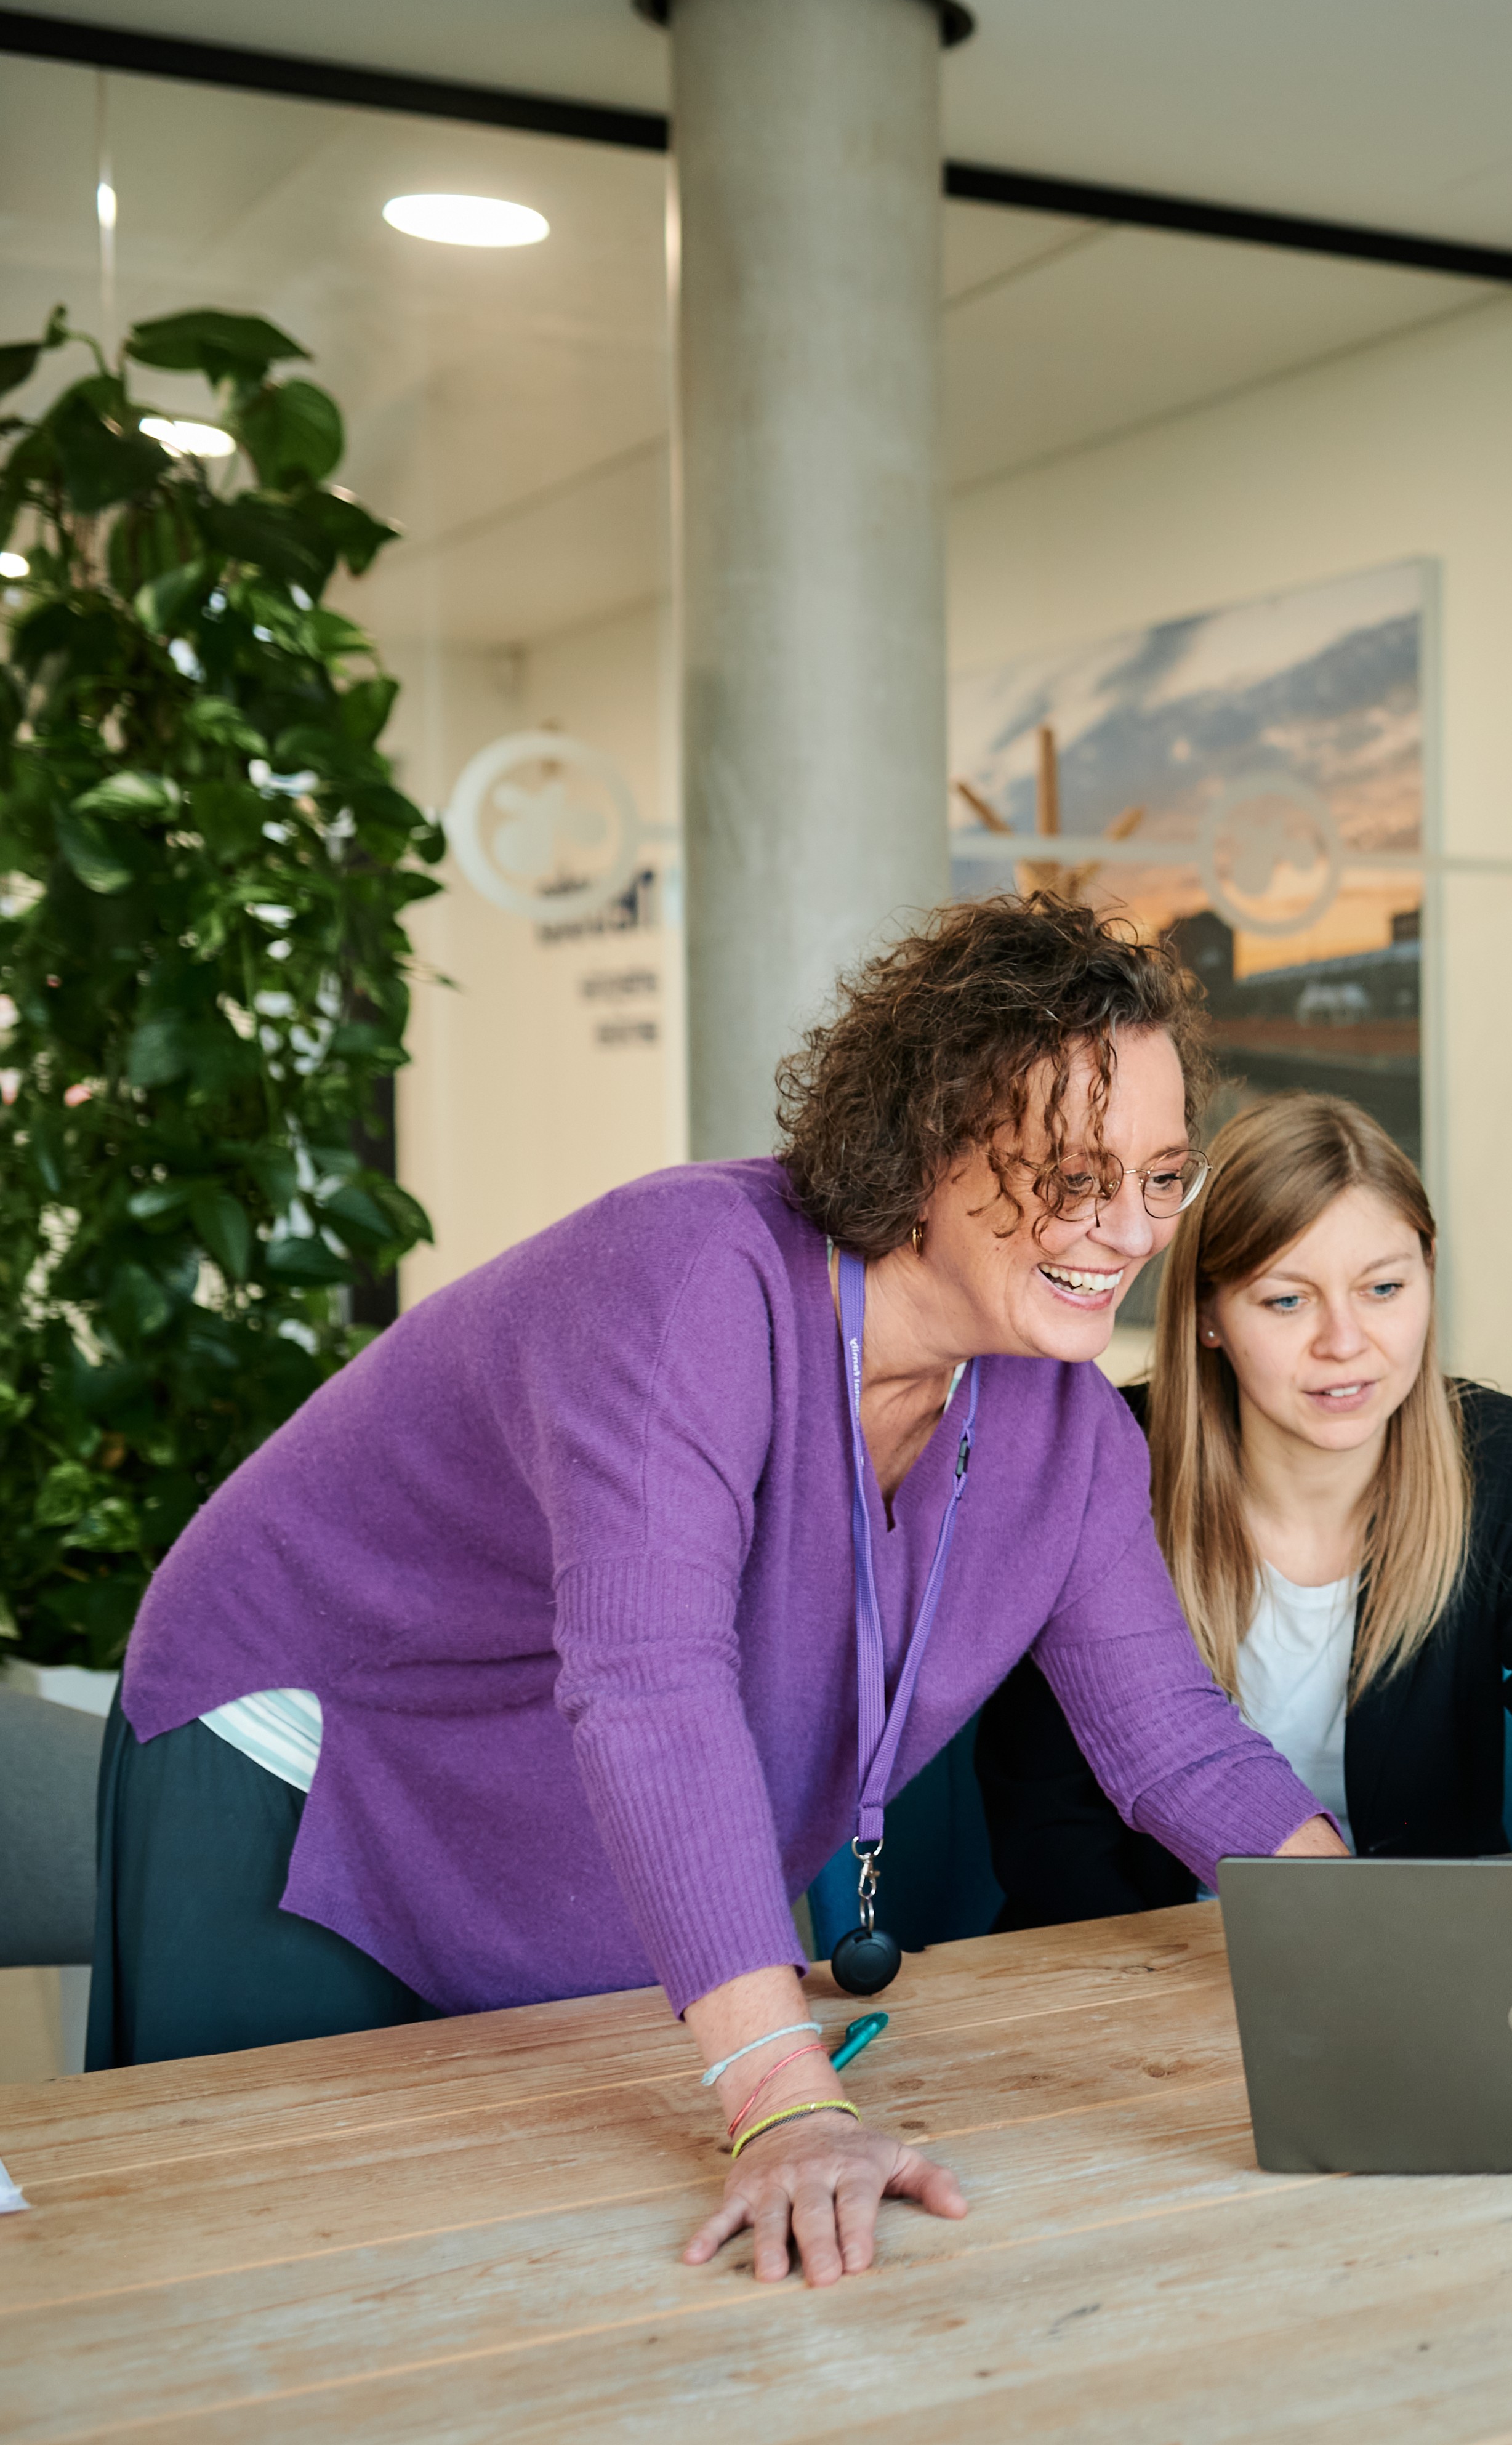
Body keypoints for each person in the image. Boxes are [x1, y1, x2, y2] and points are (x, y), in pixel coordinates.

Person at [95, 894, 1349, 2287]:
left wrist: (1377, 1942)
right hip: (309, 1743)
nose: (1125, 1229)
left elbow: (1168, 1732)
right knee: (254, 2263)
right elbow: (649, 1684)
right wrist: (787, 2097)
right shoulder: (691, 1278)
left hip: (549, 1801)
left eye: (1161, 1176)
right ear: (926, 1144)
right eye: (1071, 1173)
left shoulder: (1065, 1429)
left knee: (522, 2270)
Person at [978, 1089, 1512, 1911]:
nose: (1345, 1344)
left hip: (1418, 1961)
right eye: (1287, 1300)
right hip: (1145, 1965)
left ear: (1427, 1278)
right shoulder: (1092, 1464)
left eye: (1383, 1289)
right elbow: (1048, 1822)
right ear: (1209, 1312)